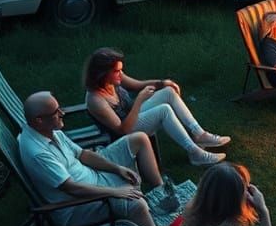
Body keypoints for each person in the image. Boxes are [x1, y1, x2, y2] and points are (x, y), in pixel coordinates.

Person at [20, 90, 166, 226]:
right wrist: (114, 192)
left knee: (139, 139)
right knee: (137, 204)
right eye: (56, 112)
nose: (62, 113)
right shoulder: (39, 154)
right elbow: (72, 189)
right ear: (39, 120)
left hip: (91, 174)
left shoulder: (49, 131)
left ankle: (161, 192)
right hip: (80, 205)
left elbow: (82, 154)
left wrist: (117, 169)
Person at [84, 47, 227, 167]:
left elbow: (137, 84)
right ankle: (195, 153)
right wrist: (139, 100)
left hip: (132, 115)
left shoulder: (113, 79)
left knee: (168, 92)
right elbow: (123, 130)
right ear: (103, 73)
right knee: (163, 110)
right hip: (125, 132)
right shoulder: (95, 100)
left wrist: (162, 83)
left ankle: (199, 134)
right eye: (117, 71)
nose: (121, 74)